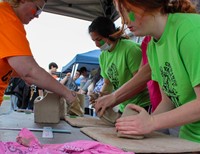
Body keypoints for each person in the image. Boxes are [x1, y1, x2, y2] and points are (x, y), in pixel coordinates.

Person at [114, 0, 200, 143]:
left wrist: (152, 122)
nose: (125, 20)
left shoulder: (191, 31)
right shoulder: (152, 48)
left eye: (128, 11)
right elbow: (169, 101)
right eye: (121, 14)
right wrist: (138, 124)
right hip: (189, 139)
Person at [0, 0, 78, 106]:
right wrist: (67, 93)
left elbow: (12, 67)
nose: (37, 16)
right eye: (37, 9)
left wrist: (32, 77)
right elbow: (29, 71)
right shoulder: (7, 19)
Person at [88, 16, 150, 114]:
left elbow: (141, 83)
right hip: (123, 106)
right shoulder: (103, 56)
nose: (97, 44)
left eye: (99, 39)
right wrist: (100, 97)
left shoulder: (130, 49)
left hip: (142, 106)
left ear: (109, 34)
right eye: (94, 40)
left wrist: (114, 99)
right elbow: (108, 83)